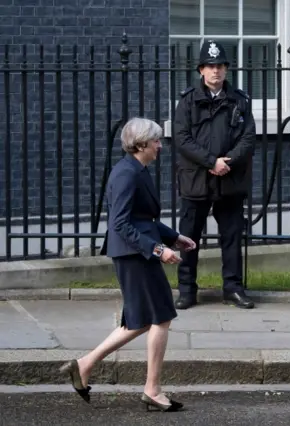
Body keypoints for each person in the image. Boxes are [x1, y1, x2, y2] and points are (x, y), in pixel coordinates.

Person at [59, 117, 196, 412]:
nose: (161, 146)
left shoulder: (137, 170)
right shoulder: (126, 174)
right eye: (157, 141)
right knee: (159, 317)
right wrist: (158, 250)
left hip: (138, 252)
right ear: (141, 144)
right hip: (134, 255)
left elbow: (143, 219)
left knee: (145, 319)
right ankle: (152, 389)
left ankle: (84, 366)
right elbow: (120, 223)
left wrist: (174, 237)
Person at [172, 40, 256, 310]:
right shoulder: (187, 101)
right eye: (210, 66)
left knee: (232, 237)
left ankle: (233, 288)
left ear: (226, 70)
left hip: (229, 180)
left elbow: (248, 137)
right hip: (196, 180)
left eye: (220, 66)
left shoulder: (239, 101)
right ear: (201, 70)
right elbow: (182, 138)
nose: (215, 71)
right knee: (188, 238)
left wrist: (225, 162)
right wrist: (210, 161)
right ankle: (187, 290)